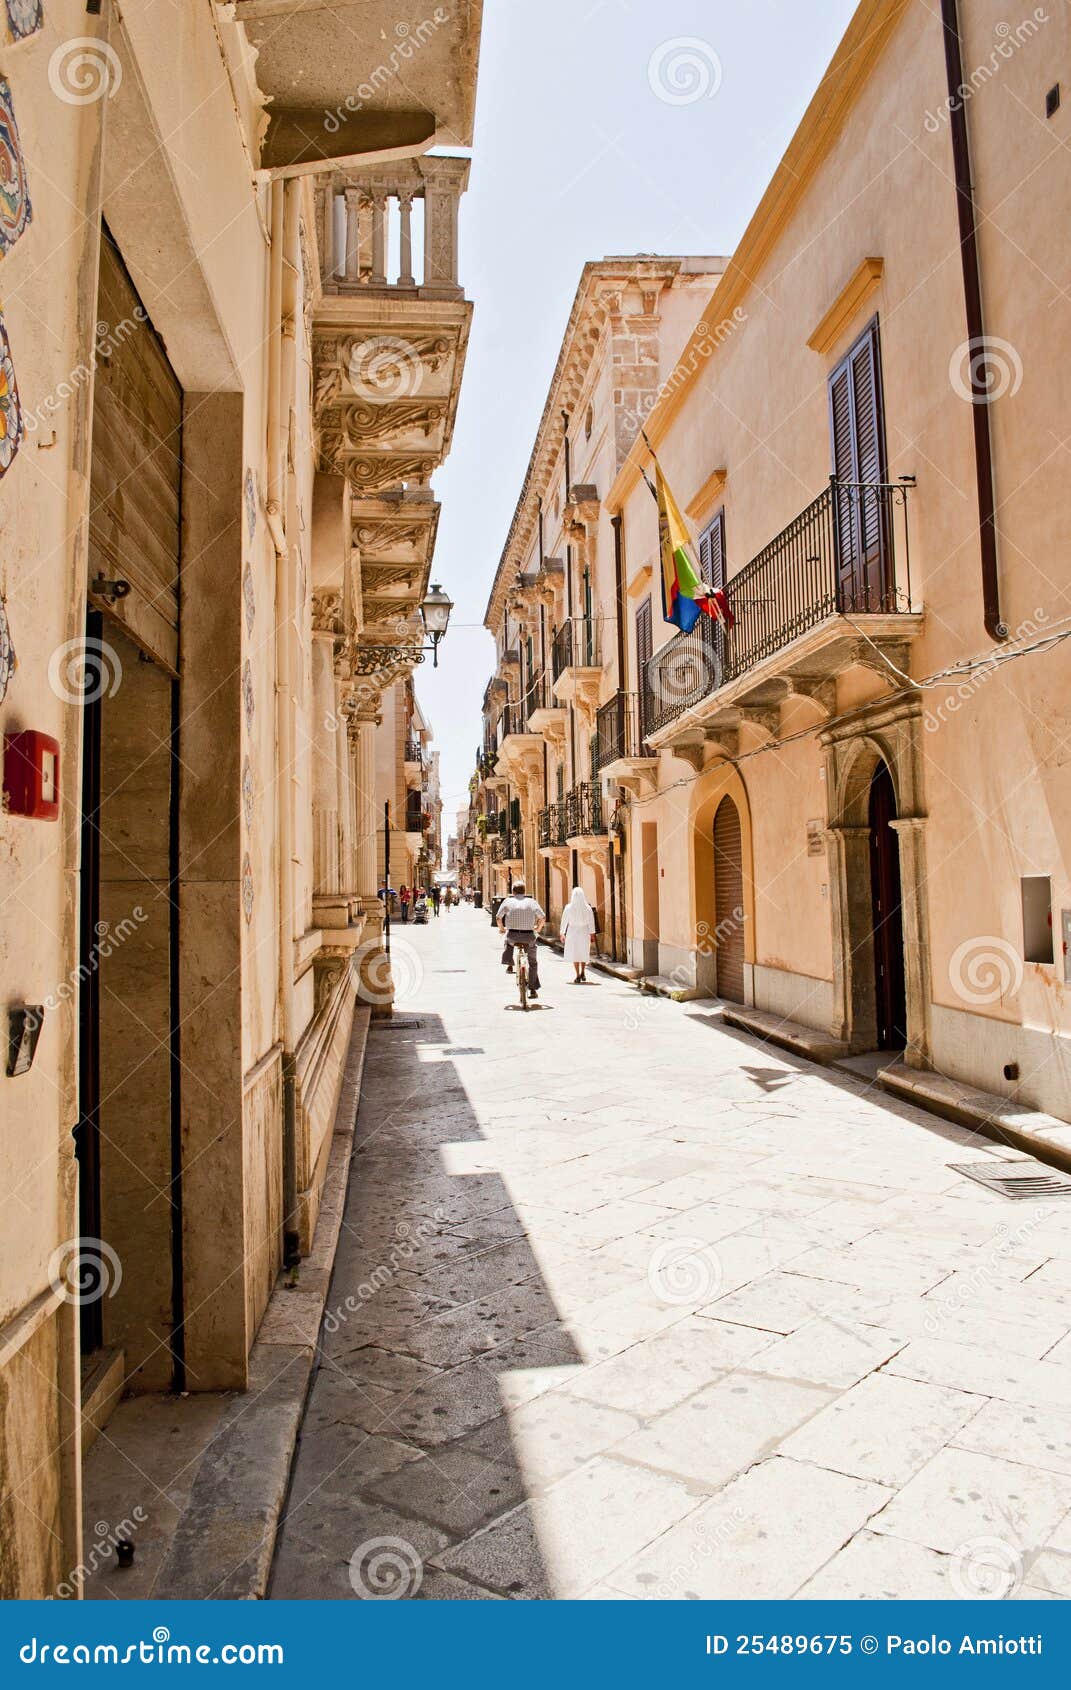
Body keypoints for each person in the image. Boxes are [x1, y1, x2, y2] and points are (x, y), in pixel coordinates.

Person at [497, 880, 545, 998]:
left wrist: (502, 928)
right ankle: (533, 988)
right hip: (529, 936)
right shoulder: (532, 902)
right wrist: (538, 929)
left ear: (513, 892)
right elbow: (542, 917)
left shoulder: (507, 901)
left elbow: (498, 918)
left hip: (512, 936)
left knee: (507, 940)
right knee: (533, 963)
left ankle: (508, 960)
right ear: (524, 891)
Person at [560, 884, 596, 983]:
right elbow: (591, 921)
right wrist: (592, 933)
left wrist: (562, 933)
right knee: (583, 951)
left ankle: (577, 975)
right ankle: (583, 971)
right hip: (584, 932)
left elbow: (564, 921)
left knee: (575, 953)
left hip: (572, 932)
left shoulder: (568, 907)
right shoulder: (587, 908)